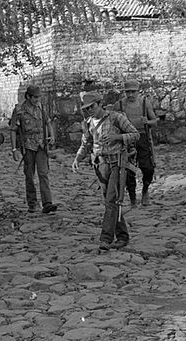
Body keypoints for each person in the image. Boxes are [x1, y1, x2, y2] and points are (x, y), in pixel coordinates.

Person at [71, 92, 139, 253]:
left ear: (99, 104)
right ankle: (122, 235)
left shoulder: (116, 118)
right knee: (111, 203)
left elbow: (135, 134)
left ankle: (106, 239)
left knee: (111, 201)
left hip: (117, 163)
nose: (90, 111)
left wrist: (118, 137)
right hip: (100, 166)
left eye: (92, 107)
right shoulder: (88, 123)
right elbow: (86, 143)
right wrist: (77, 159)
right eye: (86, 109)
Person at [9, 85, 58, 214]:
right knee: (29, 176)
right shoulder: (19, 110)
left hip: (41, 145)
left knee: (43, 173)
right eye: (35, 97)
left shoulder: (41, 108)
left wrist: (51, 136)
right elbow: (13, 130)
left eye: (39, 97)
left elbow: (48, 122)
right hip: (28, 146)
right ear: (28, 97)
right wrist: (14, 149)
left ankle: (47, 203)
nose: (37, 100)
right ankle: (32, 203)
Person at [113, 80, 158, 206]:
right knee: (128, 171)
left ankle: (145, 190)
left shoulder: (144, 103)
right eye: (128, 92)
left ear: (138, 92)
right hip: (127, 140)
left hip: (142, 138)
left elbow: (154, 120)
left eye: (133, 92)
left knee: (148, 168)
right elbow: (112, 122)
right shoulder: (120, 105)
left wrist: (147, 122)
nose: (131, 95)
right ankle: (132, 198)